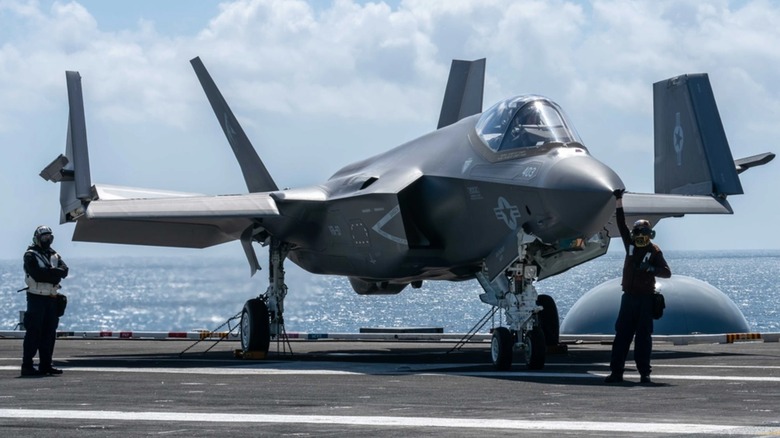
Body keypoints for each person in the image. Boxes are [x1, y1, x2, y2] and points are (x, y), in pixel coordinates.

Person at [605, 189, 671, 384]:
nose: (639, 236)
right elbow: (621, 225)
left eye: (643, 232)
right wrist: (619, 201)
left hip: (645, 300)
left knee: (643, 339)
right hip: (629, 299)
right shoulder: (630, 246)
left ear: (649, 234)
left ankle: (645, 374)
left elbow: (667, 272)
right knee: (622, 337)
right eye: (637, 232)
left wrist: (651, 269)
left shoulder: (654, 251)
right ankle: (617, 373)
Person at [21, 225, 69, 376]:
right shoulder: (30, 255)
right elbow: (37, 275)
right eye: (44, 237)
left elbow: (65, 270)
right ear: (37, 238)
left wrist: (52, 273)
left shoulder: (54, 255)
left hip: (51, 299)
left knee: (49, 333)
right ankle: (27, 365)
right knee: (33, 333)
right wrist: (54, 274)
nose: (47, 240)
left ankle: (46, 365)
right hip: (36, 298)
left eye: (49, 237)